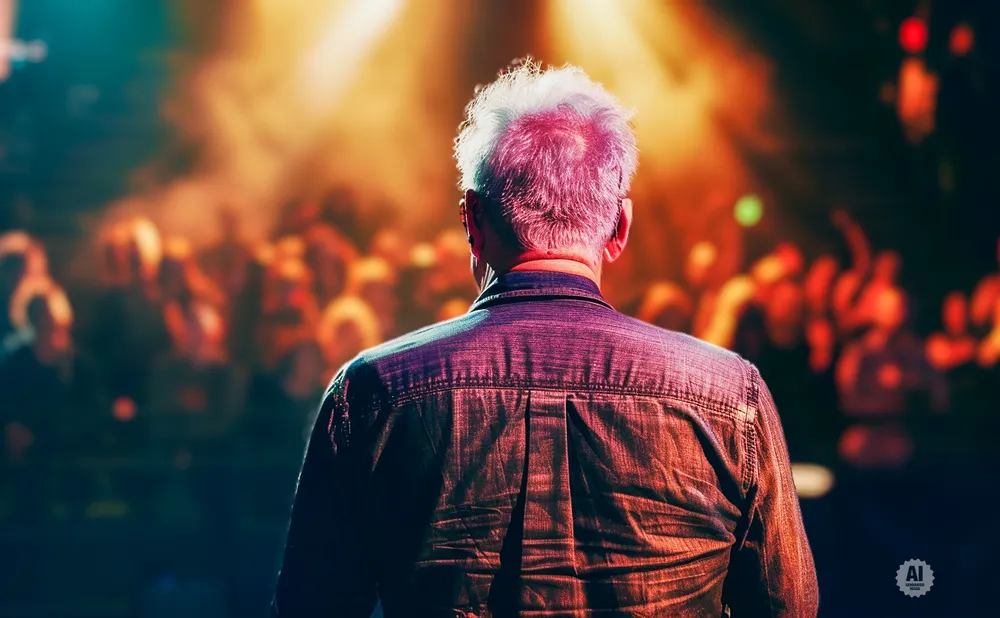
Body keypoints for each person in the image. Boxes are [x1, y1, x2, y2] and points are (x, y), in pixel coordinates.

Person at [271, 60, 818, 617]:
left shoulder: (374, 393)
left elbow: (309, 606)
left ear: (472, 221)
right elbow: (788, 607)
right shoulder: (730, 399)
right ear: (619, 227)